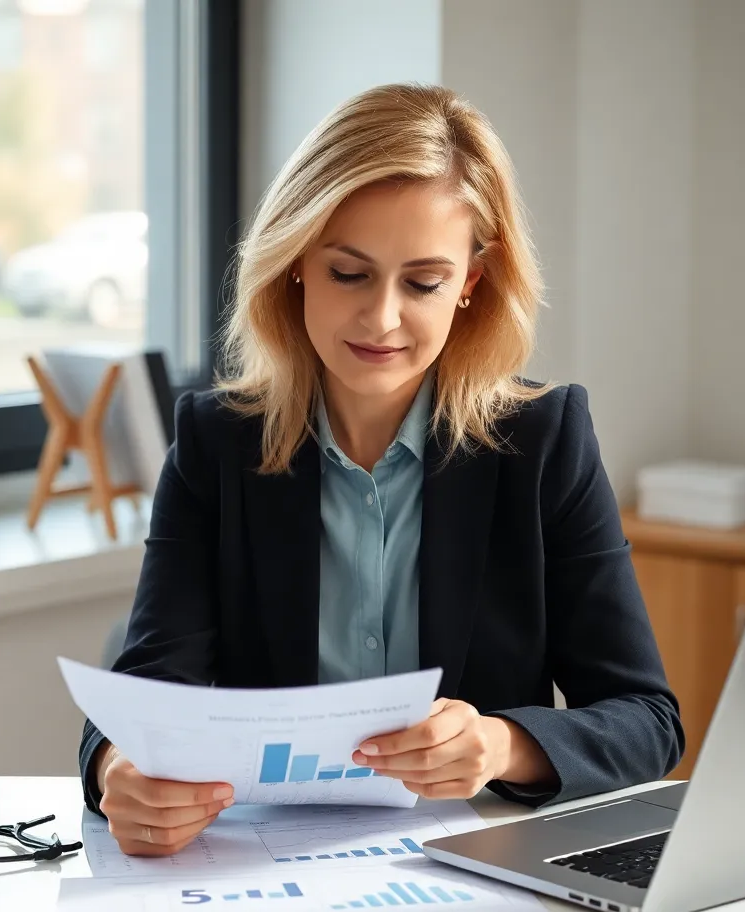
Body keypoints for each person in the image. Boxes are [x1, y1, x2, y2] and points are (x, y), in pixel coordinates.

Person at [79, 83, 684, 857]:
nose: (382, 318)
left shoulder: (544, 441)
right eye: (349, 273)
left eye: (423, 282)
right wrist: (118, 769)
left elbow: (646, 721)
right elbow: (143, 696)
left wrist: (501, 746)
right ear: (297, 262)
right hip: (263, 871)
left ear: (470, 283)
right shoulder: (216, 443)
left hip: (478, 871)